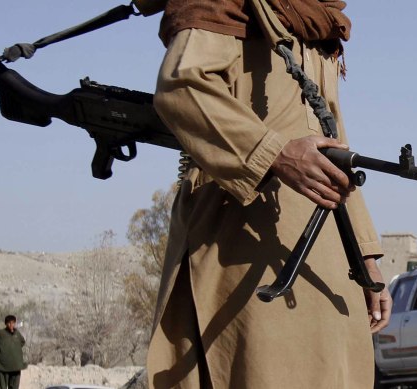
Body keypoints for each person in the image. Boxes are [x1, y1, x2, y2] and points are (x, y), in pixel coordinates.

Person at [146, 1, 393, 387]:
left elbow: (335, 148)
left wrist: (365, 258)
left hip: (329, 252)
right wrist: (273, 152)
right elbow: (182, 85)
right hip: (244, 240)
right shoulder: (226, 4)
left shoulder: (319, 21)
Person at [0, 315, 27, 389]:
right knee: (1, 386)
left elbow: (22, 342)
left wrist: (14, 348)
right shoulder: (1, 333)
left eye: (13, 323)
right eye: (9, 323)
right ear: (6, 323)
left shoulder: (17, 333)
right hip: (3, 366)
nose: (11, 325)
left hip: (16, 366)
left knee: (14, 386)